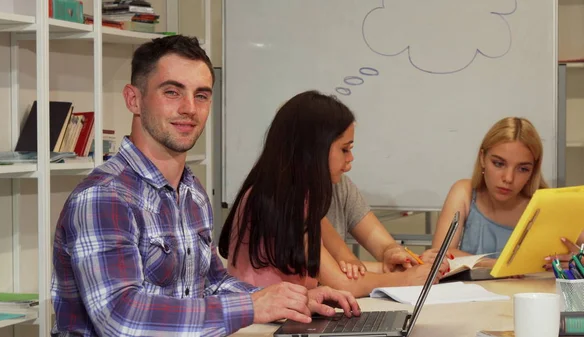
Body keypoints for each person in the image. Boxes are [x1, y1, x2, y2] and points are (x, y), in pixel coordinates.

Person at [50, 35, 360, 337]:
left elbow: (212, 282)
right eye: (172, 92)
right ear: (134, 99)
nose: (189, 108)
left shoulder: (192, 193)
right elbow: (121, 318)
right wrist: (251, 306)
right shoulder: (104, 197)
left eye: (201, 95)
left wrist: (290, 301)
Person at [218, 90, 448, 298]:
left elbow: (346, 263)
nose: (351, 158)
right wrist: (406, 280)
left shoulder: (302, 197)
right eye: (345, 149)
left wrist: (394, 268)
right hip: (259, 327)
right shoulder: (282, 201)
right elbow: (342, 284)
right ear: (313, 149)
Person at [422, 117, 548, 267]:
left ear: (533, 171)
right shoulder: (464, 192)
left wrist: (576, 258)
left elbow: (579, 253)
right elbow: (439, 254)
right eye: (499, 164)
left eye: (522, 169)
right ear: (482, 158)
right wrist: (494, 265)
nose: (508, 178)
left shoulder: (546, 203)